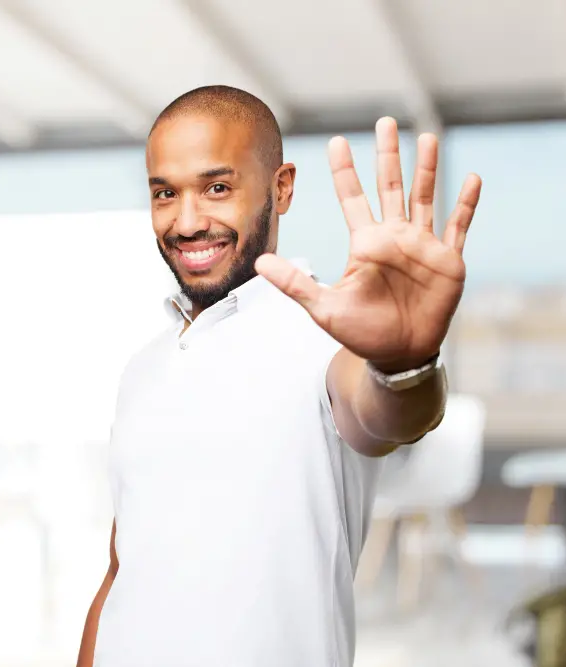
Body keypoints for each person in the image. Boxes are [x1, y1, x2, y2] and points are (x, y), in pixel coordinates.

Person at [76, 85, 482, 667]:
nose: (187, 221)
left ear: (281, 187)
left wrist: (402, 363)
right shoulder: (141, 370)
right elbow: (121, 570)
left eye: (217, 188)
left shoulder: (326, 339)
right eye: (166, 193)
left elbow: (386, 413)